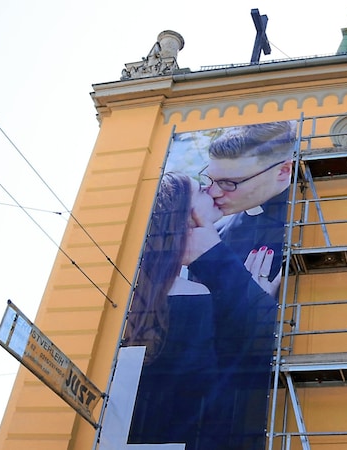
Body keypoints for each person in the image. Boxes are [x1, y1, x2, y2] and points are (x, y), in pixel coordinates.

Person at [123, 172, 275, 449]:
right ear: (186, 218)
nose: (212, 190)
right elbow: (238, 377)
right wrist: (252, 297)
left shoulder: (135, 292)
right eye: (202, 190)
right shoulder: (193, 297)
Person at [184, 121, 297, 449]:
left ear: (283, 171)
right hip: (218, 417)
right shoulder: (216, 235)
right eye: (211, 180)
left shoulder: (312, 223)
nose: (215, 193)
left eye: (230, 183)